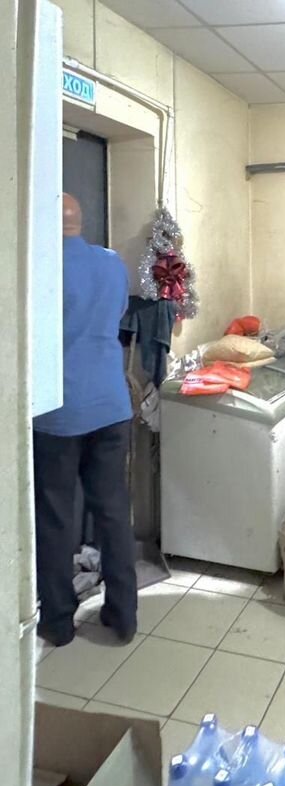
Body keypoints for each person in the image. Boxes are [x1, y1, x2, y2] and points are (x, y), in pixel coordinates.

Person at [32, 193, 137, 646]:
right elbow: (115, 316)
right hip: (111, 406)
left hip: (58, 412)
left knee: (56, 518)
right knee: (112, 511)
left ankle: (58, 622)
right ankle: (123, 614)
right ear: (80, 221)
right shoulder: (111, 264)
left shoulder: (38, 269)